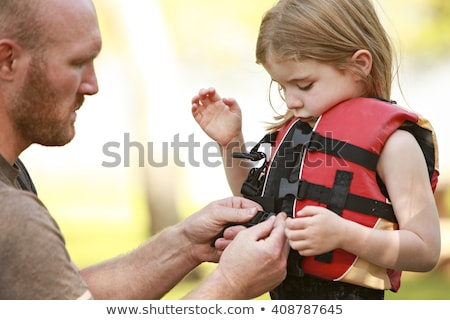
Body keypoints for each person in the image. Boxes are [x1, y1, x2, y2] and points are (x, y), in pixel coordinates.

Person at [0, 0, 290, 300]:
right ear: (7, 60)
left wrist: (186, 243)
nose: (93, 85)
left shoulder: (12, 174)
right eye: (76, 63)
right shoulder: (12, 214)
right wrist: (231, 283)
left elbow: (65, 294)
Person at [192, 0, 441, 299]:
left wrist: (345, 235)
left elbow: (425, 250)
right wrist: (230, 141)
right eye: (283, 87)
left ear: (359, 65)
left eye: (304, 84)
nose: (291, 101)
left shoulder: (396, 145)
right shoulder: (296, 135)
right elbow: (254, 203)